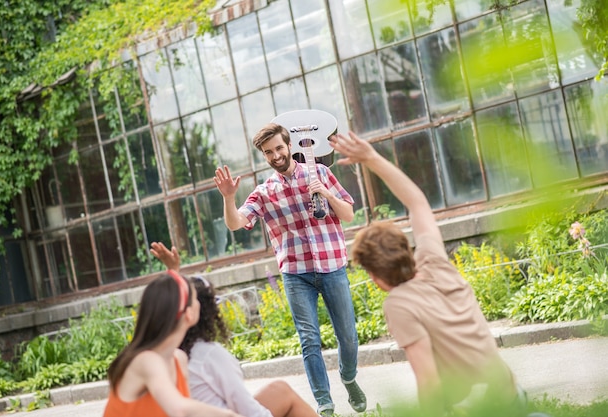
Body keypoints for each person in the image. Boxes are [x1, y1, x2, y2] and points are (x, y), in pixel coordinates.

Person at [329, 131, 537, 417]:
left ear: (375, 276)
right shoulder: (435, 262)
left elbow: (428, 381)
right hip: (512, 392)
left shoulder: (399, 304)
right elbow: (417, 203)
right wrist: (372, 158)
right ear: (406, 248)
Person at [212, 123, 366, 416]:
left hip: (332, 266)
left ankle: (348, 377)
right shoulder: (263, 192)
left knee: (347, 335)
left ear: (289, 146)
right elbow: (236, 223)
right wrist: (228, 197)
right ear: (264, 156)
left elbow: (347, 213)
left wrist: (325, 193)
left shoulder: (319, 173)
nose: (276, 155)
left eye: (279, 148)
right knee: (309, 339)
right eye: (269, 152)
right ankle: (325, 403)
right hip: (296, 273)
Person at [150, 242, 320, 417]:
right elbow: (249, 411)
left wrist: (173, 271)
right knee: (284, 396)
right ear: (203, 313)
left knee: (279, 390)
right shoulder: (208, 354)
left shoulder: (158, 353)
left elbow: (176, 303)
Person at [102, 269, 243, 417]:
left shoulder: (178, 359)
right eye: (196, 299)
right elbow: (179, 409)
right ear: (189, 314)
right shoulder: (147, 361)